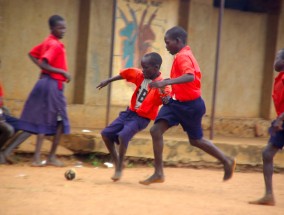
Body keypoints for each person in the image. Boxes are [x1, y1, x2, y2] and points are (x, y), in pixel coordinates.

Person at [139, 26, 236, 185]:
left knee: (196, 140)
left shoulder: (183, 56)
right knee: (156, 130)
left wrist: (166, 82)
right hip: (177, 103)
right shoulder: (183, 55)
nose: (166, 46)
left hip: (191, 106)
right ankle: (158, 173)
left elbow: (189, 77)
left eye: (167, 42)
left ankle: (226, 160)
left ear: (178, 41)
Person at [96, 52, 170, 181]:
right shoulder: (141, 75)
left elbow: (166, 101)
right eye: (142, 67)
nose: (143, 70)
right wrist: (108, 80)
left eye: (146, 67)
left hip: (142, 118)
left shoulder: (162, 84)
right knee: (106, 134)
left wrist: (162, 89)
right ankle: (117, 161)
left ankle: (119, 168)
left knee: (123, 135)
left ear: (156, 68)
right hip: (129, 112)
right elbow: (125, 74)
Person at [16, 15, 71, 167]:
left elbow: (32, 54)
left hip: (45, 83)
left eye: (65, 27)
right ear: (52, 28)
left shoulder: (48, 41)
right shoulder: (55, 45)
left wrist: (46, 71)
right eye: (60, 28)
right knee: (58, 120)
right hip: (52, 85)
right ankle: (45, 157)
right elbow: (44, 64)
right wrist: (62, 72)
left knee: (48, 119)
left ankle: (40, 157)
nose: (64, 30)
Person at [249, 49, 284, 206]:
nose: (275, 61)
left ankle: (269, 195)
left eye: (277, 57)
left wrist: (280, 119)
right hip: (282, 121)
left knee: (267, 153)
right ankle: (269, 195)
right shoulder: (280, 78)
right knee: (267, 153)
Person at [0, 81, 31, 164]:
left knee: (29, 128)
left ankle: (6, 152)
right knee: (9, 129)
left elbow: (1, 101)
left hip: (2, 115)